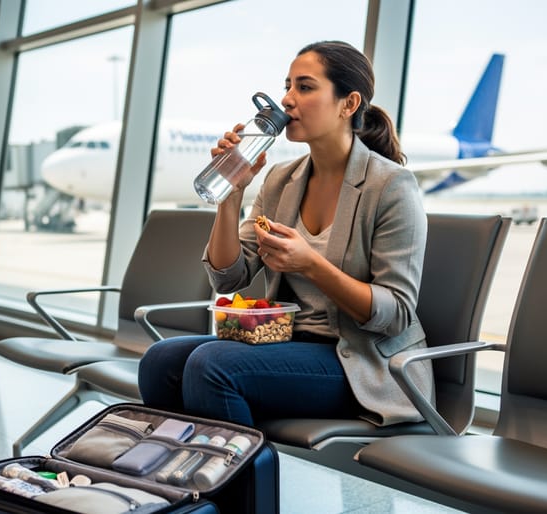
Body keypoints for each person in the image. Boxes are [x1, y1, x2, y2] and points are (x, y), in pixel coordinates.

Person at [138, 40, 432, 427]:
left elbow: (394, 314)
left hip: (362, 362)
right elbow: (227, 278)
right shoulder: (281, 180)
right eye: (287, 86)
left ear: (349, 104)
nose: (286, 100)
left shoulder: (390, 186)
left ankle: (231, 483)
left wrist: (311, 265)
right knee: (160, 361)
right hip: (286, 345)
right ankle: (180, 475)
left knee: (213, 366)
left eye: (305, 87)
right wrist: (232, 192)